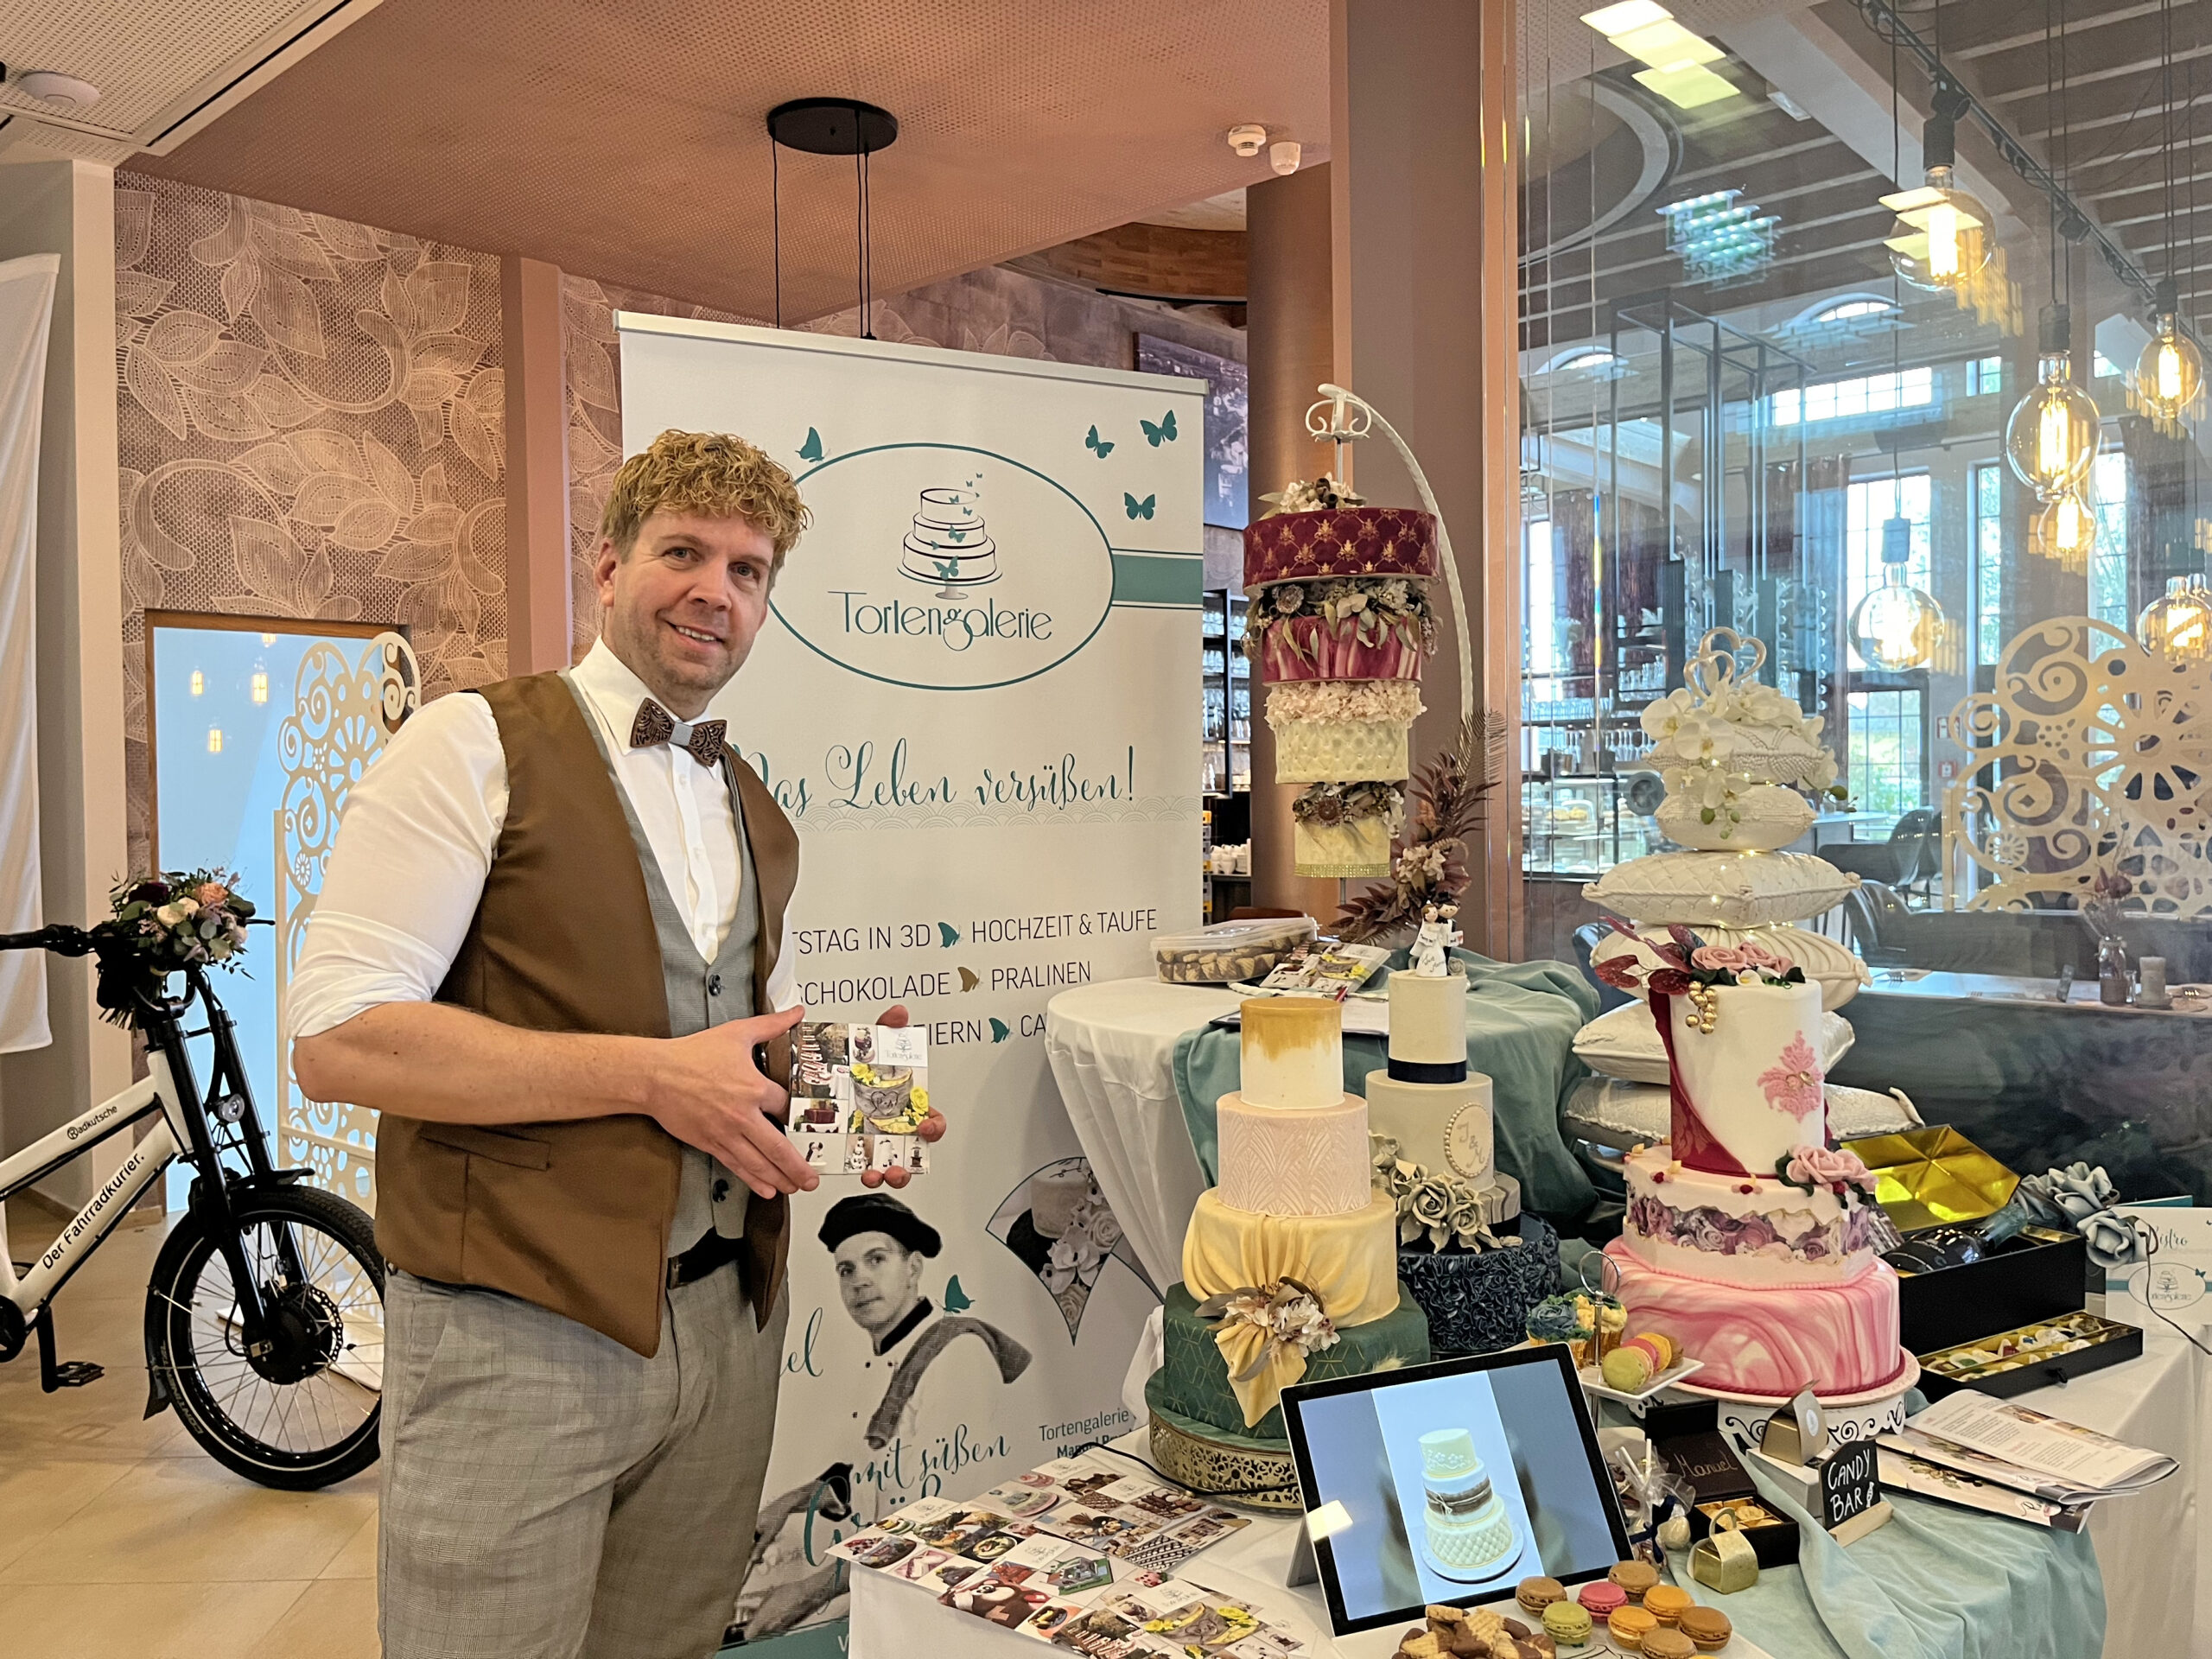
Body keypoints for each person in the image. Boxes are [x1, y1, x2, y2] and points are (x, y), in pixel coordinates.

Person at [289, 429, 943, 1659]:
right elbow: (338, 1040)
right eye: (682, 553)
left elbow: (736, 1034)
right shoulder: (470, 744)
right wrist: (649, 1078)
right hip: (513, 1323)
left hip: (728, 1323)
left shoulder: (754, 806)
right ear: (606, 567)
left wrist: (858, 1094)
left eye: (747, 570)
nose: (716, 591)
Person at [735, 1193, 1030, 1639]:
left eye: (876, 1259)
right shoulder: (878, 1354)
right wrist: (790, 1502)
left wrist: (810, 1592)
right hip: (886, 1577)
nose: (859, 1281)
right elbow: (871, 1475)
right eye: (846, 1269)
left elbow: (945, 1523)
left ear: (913, 1267)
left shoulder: (957, 1354)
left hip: (951, 1598)